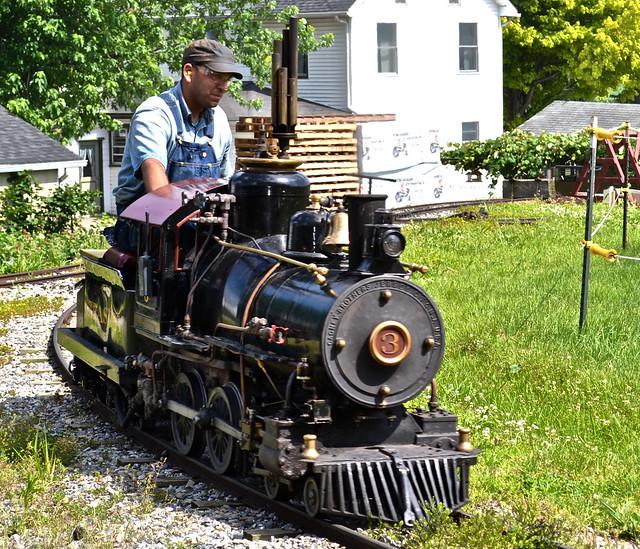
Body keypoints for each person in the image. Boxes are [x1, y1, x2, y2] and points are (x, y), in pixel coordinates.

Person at [109, 39, 242, 251]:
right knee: (189, 236)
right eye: (215, 76)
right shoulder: (154, 115)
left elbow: (226, 183)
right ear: (189, 72)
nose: (224, 87)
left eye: (227, 79)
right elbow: (159, 191)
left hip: (200, 223)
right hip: (143, 225)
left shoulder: (219, 120)